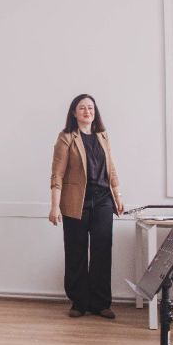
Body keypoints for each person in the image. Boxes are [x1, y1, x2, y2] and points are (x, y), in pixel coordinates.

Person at [48, 94, 124, 319]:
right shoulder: (66, 138)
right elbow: (57, 174)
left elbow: (111, 168)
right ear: (74, 112)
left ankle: (101, 303)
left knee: (102, 251)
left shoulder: (103, 136)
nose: (87, 111)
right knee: (76, 251)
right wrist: (54, 206)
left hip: (103, 200)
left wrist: (118, 196)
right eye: (82, 108)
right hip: (75, 201)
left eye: (90, 107)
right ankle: (79, 302)